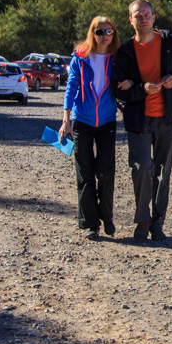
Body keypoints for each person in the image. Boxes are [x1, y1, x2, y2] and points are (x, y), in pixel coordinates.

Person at [111, 0, 172, 241]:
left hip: (167, 118)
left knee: (161, 171)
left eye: (147, 15)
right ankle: (142, 220)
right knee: (141, 168)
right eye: (138, 16)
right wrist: (140, 89)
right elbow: (118, 90)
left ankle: (157, 224)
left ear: (154, 17)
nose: (143, 19)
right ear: (131, 20)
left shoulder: (170, 44)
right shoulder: (125, 52)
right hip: (139, 119)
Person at [61, 16, 119, 240]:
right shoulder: (80, 56)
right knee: (84, 174)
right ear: (92, 32)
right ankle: (89, 224)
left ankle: (107, 217)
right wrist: (66, 119)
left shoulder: (116, 58)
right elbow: (71, 86)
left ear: (113, 34)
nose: (104, 35)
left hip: (106, 121)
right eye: (99, 31)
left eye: (109, 32)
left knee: (105, 172)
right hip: (82, 120)